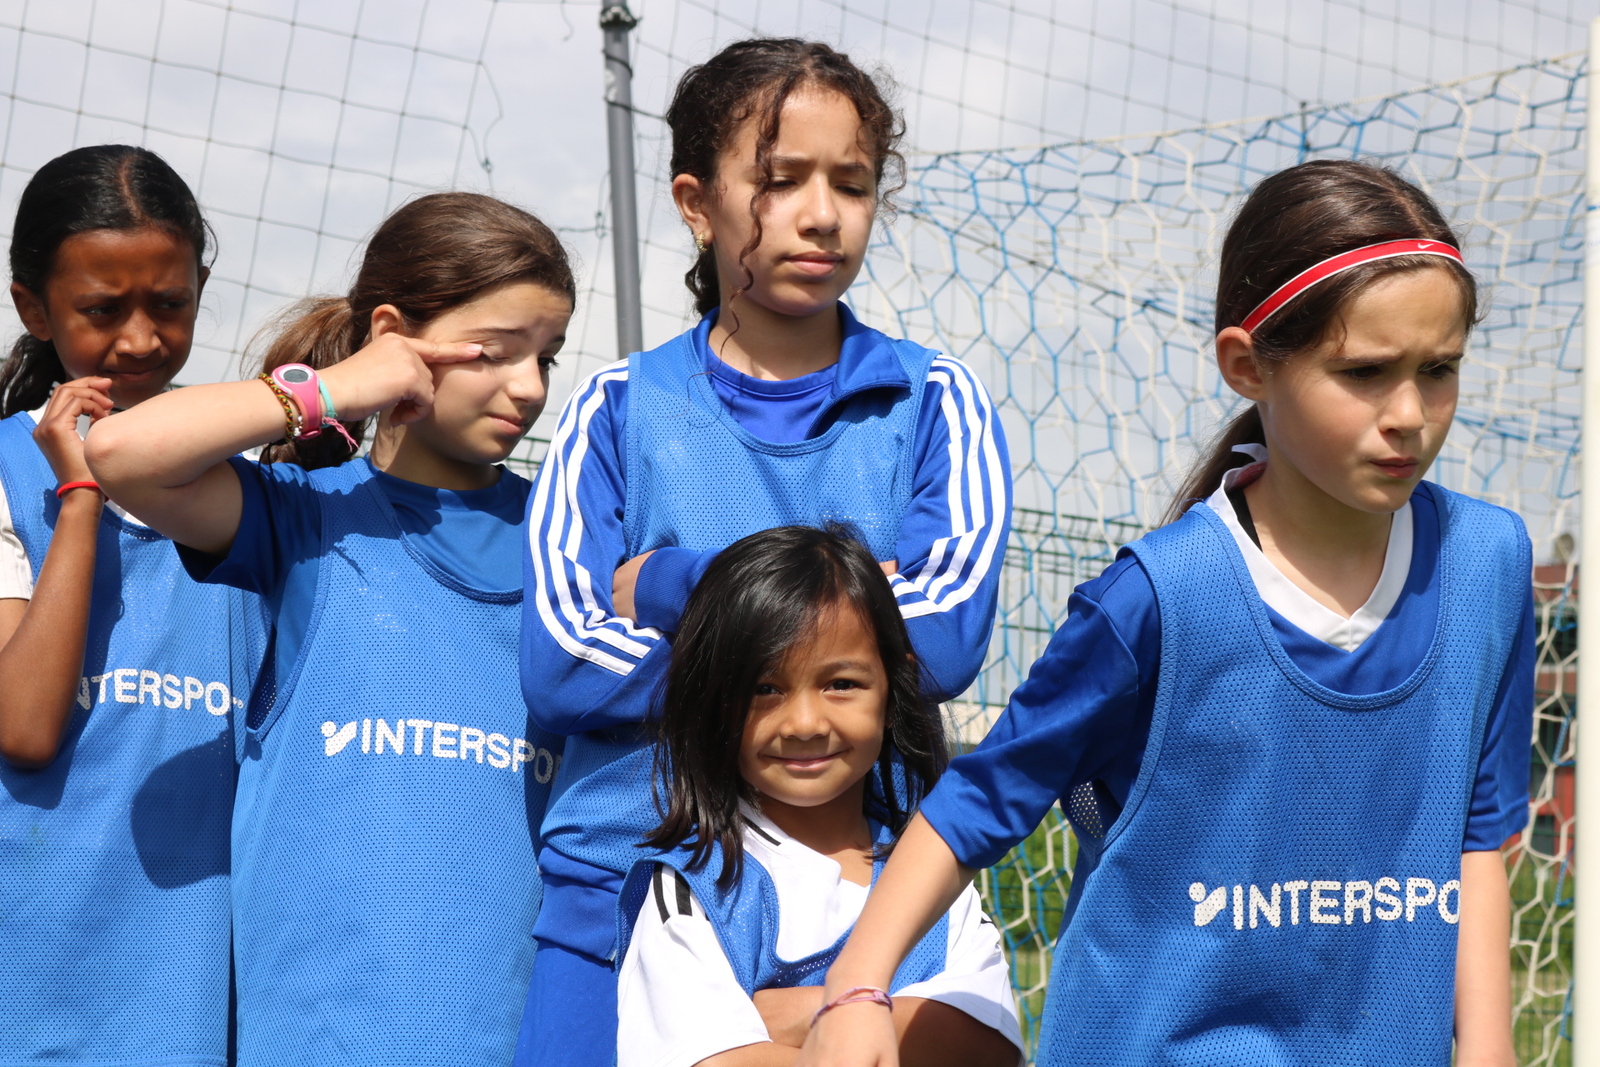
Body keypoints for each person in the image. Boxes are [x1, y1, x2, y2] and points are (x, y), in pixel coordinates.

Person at [799, 160, 1532, 1067]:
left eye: (1440, 369)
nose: (1410, 414)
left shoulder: (1488, 563)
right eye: (1366, 371)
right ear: (1247, 365)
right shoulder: (1158, 597)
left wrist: (1489, 1046)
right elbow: (984, 797)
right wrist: (857, 986)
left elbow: (1475, 829)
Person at [518, 38, 1011, 1065]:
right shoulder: (617, 408)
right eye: (780, 180)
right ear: (697, 203)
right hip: (620, 880)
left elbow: (942, 642)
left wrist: (668, 581)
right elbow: (562, 662)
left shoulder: (933, 401)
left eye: (852, 183)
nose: (821, 214)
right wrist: (839, 623)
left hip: (870, 895)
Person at [86, 192, 572, 1066]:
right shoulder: (306, 519)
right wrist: (341, 388)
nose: (530, 385)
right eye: (495, 352)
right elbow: (122, 453)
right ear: (392, 333)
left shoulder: (565, 544)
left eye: (547, 356)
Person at [0, 144, 267, 1063]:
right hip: (35, 974)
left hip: (200, 983)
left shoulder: (249, 487)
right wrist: (80, 495)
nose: (142, 338)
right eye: (103, 310)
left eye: (170, 303)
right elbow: (24, 725)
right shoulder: (9, 473)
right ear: (34, 308)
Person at [615, 525, 1020, 1067]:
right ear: (713, 701)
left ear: (892, 688)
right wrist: (886, 1022)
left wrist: (803, 1014)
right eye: (765, 689)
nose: (804, 723)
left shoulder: (929, 868)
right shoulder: (696, 882)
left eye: (841, 684)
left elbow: (984, 1044)